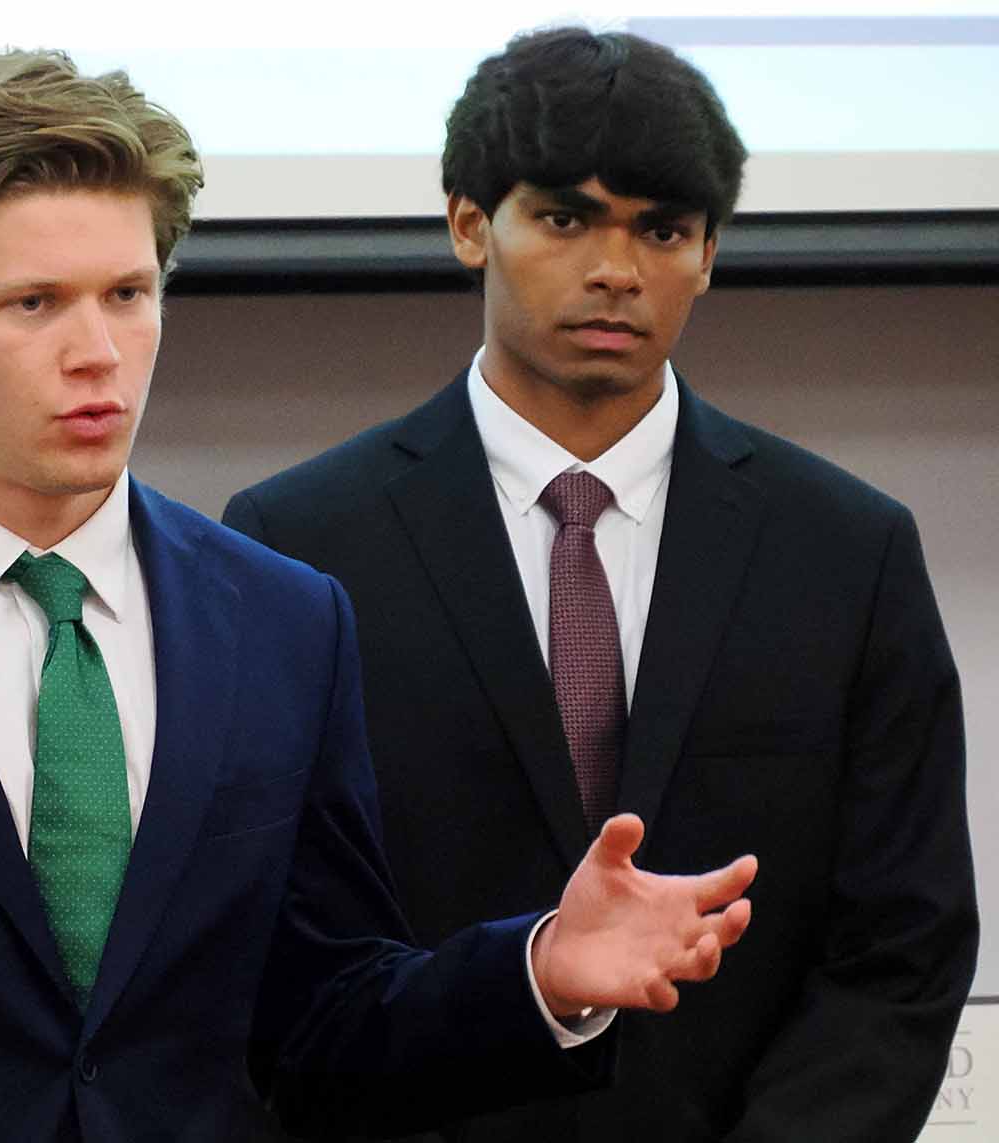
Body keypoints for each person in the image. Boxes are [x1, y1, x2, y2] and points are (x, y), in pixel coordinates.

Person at [0, 49, 757, 1143]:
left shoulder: (281, 621)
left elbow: (327, 1031)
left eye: (127, 294)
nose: (97, 351)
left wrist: (539, 971)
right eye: (33, 304)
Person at [225, 26, 976, 1143]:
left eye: (661, 230)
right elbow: (276, 955)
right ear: (468, 223)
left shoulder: (844, 549)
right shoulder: (294, 542)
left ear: (710, 253)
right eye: (566, 218)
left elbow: (899, 945)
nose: (616, 269)